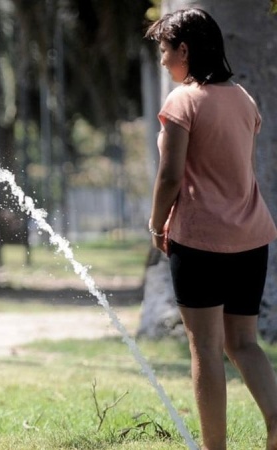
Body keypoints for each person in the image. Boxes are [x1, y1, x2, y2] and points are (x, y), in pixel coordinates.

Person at [146, 8, 277, 450]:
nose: (163, 62)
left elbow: (170, 176)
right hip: (251, 236)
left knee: (205, 347)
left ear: (184, 50)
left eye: (165, 52)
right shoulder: (243, 98)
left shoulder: (183, 101)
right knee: (244, 343)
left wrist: (154, 224)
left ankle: (213, 447)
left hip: (200, 239)